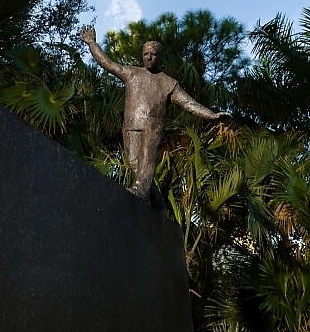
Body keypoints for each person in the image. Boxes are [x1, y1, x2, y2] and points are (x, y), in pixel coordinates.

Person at [80, 25, 230, 206]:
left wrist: (212, 115)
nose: (149, 57)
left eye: (153, 54)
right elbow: (108, 63)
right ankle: (158, 201)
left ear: (160, 57)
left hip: (153, 126)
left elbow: (188, 103)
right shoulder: (131, 73)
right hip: (131, 124)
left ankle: (140, 191)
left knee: (146, 161)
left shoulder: (168, 83)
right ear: (142, 55)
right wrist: (91, 44)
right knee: (134, 164)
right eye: (146, 54)